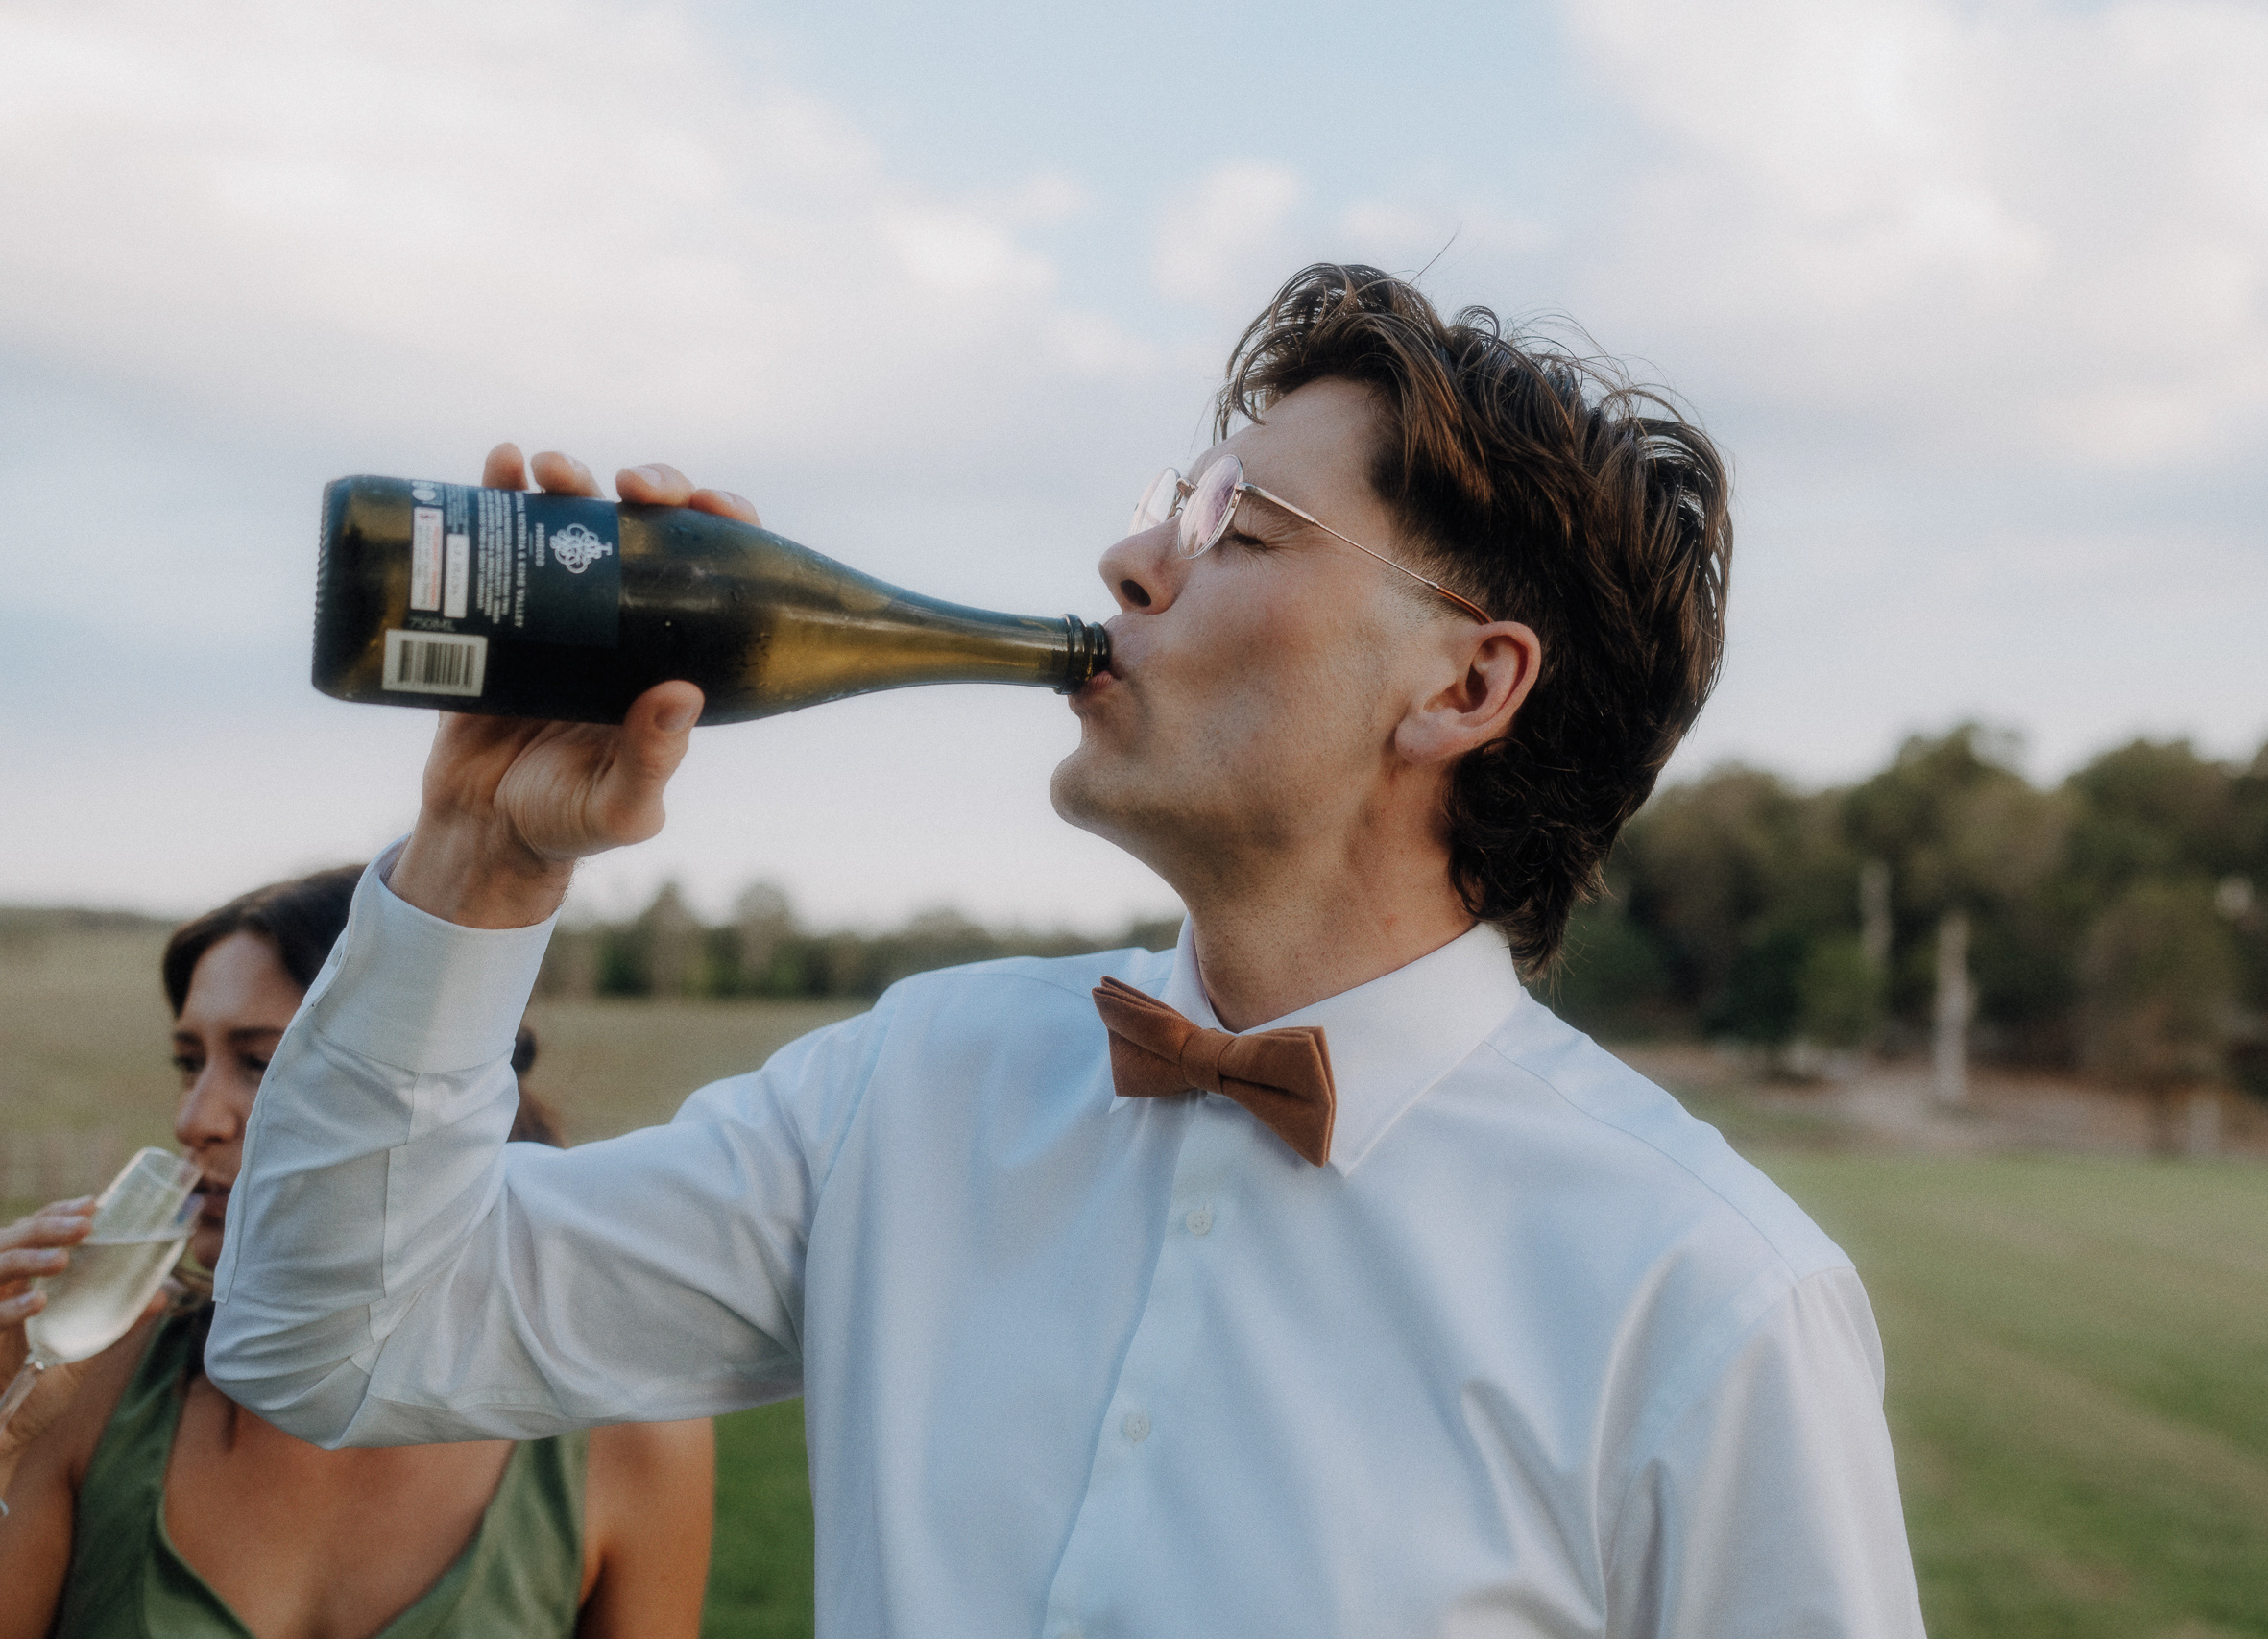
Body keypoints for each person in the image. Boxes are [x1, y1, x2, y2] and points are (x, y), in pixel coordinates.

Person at [208, 265, 1926, 1635]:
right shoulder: (911, 1082)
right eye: (1174, 505)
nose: (1127, 559)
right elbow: (339, 1340)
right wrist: (478, 863)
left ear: (1466, 686)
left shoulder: (1706, 1297)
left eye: (1240, 532)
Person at [0, 868, 714, 1639]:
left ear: (428, 1091)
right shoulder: (89, 1381)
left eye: (260, 1062)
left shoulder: (627, 1436)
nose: (194, 1116)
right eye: (189, 1061)